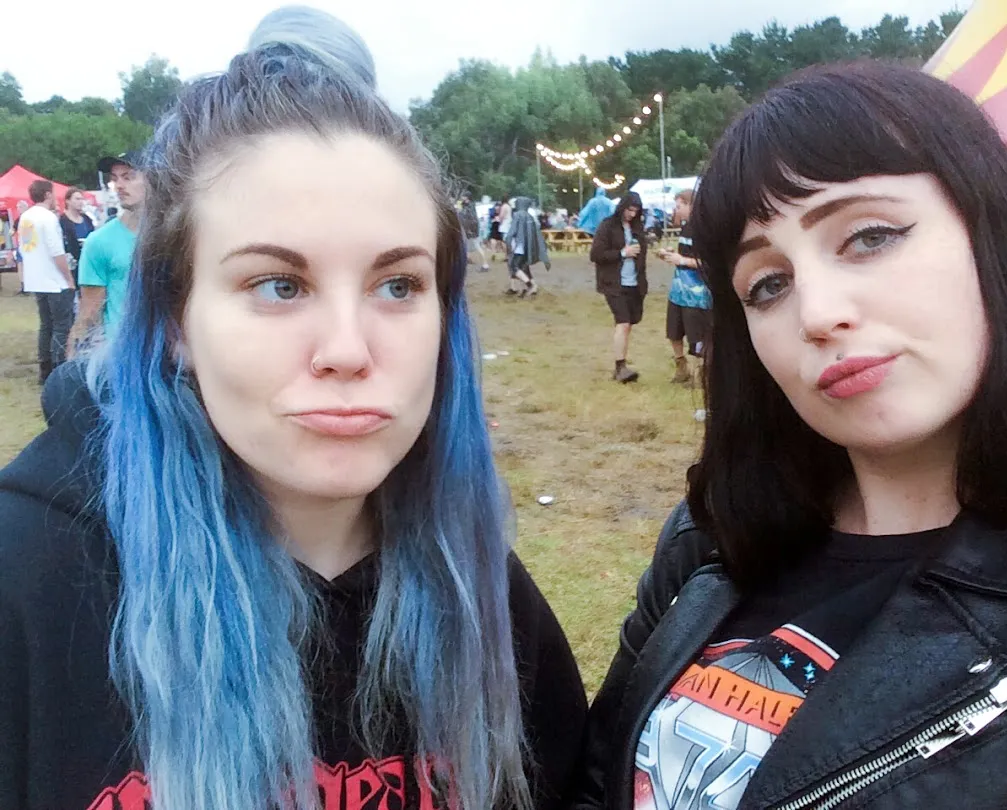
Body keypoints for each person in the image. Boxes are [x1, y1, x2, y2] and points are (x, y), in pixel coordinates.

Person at [0, 7, 586, 810]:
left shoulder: (482, 592)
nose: (347, 348)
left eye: (397, 285)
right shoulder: (25, 586)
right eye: (278, 285)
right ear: (176, 322)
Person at [571, 61, 1007, 810]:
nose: (816, 312)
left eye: (868, 236)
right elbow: (597, 780)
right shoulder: (711, 539)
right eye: (767, 284)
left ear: (995, 234)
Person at [67, 152, 146, 353]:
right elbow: (88, 314)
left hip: (175, 360)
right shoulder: (100, 242)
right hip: (123, 356)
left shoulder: (176, 236)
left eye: (128, 177)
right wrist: (70, 373)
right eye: (114, 179)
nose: (119, 185)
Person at [16, 179, 76, 384]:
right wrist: (69, 278)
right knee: (62, 327)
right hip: (54, 280)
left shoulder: (25, 217)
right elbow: (56, 251)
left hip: (36, 279)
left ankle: (45, 368)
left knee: (46, 325)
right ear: (48, 195)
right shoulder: (48, 219)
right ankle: (58, 369)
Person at [590, 191, 647, 383]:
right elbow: (596, 254)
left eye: (636, 211)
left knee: (628, 325)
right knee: (623, 323)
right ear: (622, 207)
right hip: (613, 283)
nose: (632, 214)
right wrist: (623, 253)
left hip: (634, 283)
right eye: (629, 210)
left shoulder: (638, 228)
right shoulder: (607, 226)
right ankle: (620, 366)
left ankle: (620, 366)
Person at [657, 188, 711, 387]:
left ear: (691, 205)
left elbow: (709, 262)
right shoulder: (685, 227)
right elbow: (685, 255)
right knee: (674, 332)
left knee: (697, 337)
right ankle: (681, 368)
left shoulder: (706, 229)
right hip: (678, 292)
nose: (676, 210)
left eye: (679, 206)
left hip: (697, 294)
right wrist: (670, 255)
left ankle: (702, 375)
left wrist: (683, 260)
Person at [504, 196, 551, 297]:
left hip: (519, 246)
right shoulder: (530, 217)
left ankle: (529, 285)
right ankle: (534, 287)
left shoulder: (518, 215)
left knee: (514, 267)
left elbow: (512, 231)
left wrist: (508, 241)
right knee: (524, 267)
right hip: (528, 247)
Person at [59, 186, 96, 286]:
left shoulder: (87, 219)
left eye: (82, 199)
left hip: (88, 261)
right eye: (77, 199)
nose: (80, 202)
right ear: (68, 201)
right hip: (71, 263)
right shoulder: (61, 221)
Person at [457, 190, 490, 271]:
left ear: (466, 197)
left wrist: (459, 207)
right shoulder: (468, 205)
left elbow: (462, 215)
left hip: (470, 229)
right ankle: (467, 261)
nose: (461, 198)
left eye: (463, 196)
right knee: (468, 245)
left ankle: (485, 264)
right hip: (470, 228)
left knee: (476, 246)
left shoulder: (468, 206)